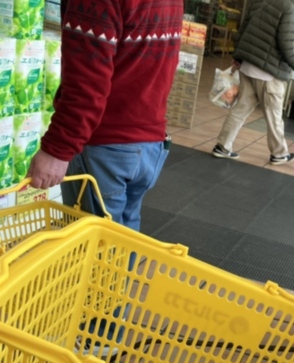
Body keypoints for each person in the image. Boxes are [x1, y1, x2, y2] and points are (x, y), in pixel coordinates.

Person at [27, 0, 183, 232]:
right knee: (123, 240)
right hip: (149, 141)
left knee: (93, 244)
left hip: (105, 147)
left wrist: (57, 149)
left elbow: (86, 85)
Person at [211, 0, 294, 165]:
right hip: (269, 73)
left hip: (248, 66)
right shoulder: (290, 8)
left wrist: (238, 56)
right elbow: (286, 44)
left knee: (240, 110)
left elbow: (243, 29)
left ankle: (222, 146)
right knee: (274, 115)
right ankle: (279, 154)